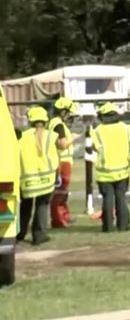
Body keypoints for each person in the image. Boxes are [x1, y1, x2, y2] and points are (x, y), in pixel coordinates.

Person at [17, 106, 59, 246]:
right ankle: (39, 235)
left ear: (30, 121)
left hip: (27, 179)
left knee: (25, 207)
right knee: (42, 206)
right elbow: (56, 157)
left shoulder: (22, 137)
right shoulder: (51, 136)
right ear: (46, 120)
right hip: (47, 178)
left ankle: (20, 233)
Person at [91, 103, 130, 232]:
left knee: (107, 199)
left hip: (104, 171)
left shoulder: (97, 131)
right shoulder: (127, 128)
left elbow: (95, 147)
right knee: (121, 197)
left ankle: (108, 226)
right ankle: (123, 226)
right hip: (123, 169)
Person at [49, 97, 81, 228]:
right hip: (61, 162)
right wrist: (72, 138)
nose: (70, 117)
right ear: (63, 112)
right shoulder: (58, 125)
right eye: (68, 114)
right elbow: (62, 144)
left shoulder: (54, 123)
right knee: (60, 192)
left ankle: (64, 215)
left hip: (62, 161)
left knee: (63, 191)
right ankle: (57, 219)